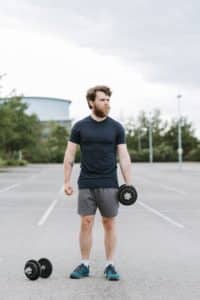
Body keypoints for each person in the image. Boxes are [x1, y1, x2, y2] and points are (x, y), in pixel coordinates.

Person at [63, 85, 132, 281]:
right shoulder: (80, 127)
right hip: (86, 182)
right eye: (102, 99)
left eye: (108, 100)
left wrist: (129, 183)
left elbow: (124, 156)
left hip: (109, 182)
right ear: (92, 102)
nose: (107, 103)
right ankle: (84, 264)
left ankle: (110, 265)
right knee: (86, 223)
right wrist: (66, 180)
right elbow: (69, 154)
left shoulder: (116, 127)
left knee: (109, 223)